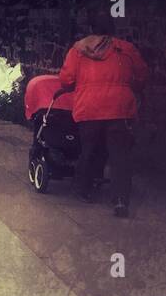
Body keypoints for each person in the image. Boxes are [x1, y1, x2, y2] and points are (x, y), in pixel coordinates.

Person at [58, 34, 147, 217]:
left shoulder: (78, 50)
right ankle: (121, 199)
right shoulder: (126, 48)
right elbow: (141, 75)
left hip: (89, 107)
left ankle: (83, 189)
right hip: (119, 108)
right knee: (120, 155)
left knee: (88, 149)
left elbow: (66, 80)